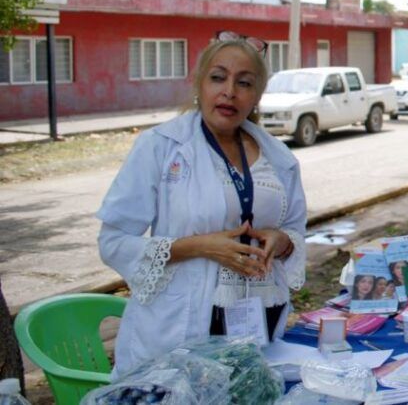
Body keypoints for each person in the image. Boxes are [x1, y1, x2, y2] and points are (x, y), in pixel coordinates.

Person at [97, 32, 306, 376]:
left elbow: (295, 229)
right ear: (199, 84)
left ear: (256, 96)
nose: (229, 92)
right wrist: (199, 247)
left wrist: (282, 242)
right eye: (218, 77)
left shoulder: (278, 158)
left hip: (255, 330)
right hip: (175, 332)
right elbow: (113, 241)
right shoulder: (161, 147)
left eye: (245, 82)